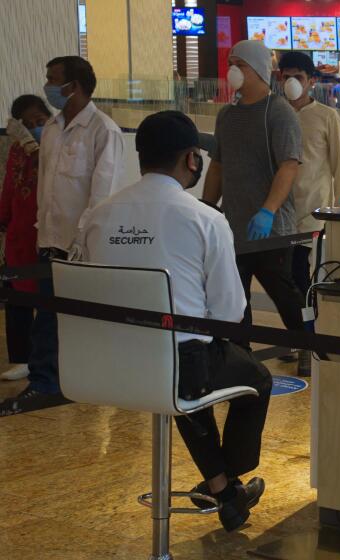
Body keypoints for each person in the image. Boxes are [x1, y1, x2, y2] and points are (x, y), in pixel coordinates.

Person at [80, 111, 271, 532]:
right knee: (253, 379)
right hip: (175, 369)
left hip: (100, 367)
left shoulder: (98, 215)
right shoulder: (205, 218)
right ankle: (230, 477)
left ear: (141, 156)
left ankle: (224, 492)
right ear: (192, 160)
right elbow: (228, 313)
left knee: (183, 376)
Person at [0, 56, 124, 415]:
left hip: (81, 246)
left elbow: (102, 196)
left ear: (76, 86)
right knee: (49, 317)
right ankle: (48, 383)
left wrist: (78, 244)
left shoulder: (103, 130)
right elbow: (46, 192)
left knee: (71, 319)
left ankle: (57, 383)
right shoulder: (52, 128)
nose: (48, 86)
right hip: (48, 240)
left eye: (54, 80)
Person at [201, 40, 308, 376]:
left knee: (284, 292)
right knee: (236, 296)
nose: (233, 70)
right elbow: (217, 164)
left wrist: (268, 210)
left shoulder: (278, 112)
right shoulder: (227, 115)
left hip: (270, 229)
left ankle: (309, 345)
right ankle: (240, 356)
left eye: (240, 64)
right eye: (231, 62)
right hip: (232, 226)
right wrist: (206, 207)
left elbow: (289, 165)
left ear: (258, 69)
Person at [276, 51, 340, 297]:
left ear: (311, 81)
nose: (291, 82)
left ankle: (308, 325)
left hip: (313, 210)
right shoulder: (275, 113)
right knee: (284, 272)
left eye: (298, 77)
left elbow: (338, 164)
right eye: (286, 77)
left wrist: (339, 206)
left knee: (300, 268)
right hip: (281, 210)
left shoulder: (327, 116)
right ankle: (303, 322)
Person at [0, 95, 51, 382]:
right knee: (17, 296)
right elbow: (9, 186)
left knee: (47, 299)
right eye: (28, 124)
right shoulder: (18, 151)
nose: (34, 127)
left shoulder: (57, 143)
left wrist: (36, 147)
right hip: (19, 232)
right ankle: (21, 358)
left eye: (39, 121)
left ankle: (47, 358)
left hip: (45, 231)